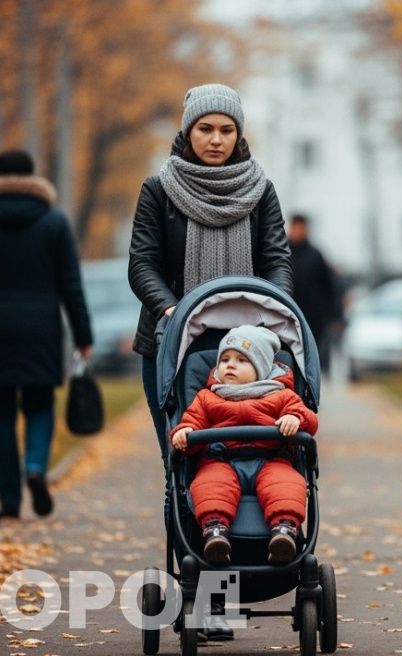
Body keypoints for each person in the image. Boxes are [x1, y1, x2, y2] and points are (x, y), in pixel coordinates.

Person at [128, 83, 293, 462]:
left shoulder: (261, 191)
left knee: (246, 454)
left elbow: (277, 261)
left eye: (226, 130)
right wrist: (173, 311)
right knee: (179, 458)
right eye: (206, 129)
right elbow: (142, 264)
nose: (216, 139)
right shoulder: (158, 191)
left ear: (238, 135)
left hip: (248, 345)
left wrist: (273, 310)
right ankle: (182, 522)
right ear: (188, 132)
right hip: (171, 341)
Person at [0, 150, 93, 521]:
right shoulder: (54, 223)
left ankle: (9, 503)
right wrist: (82, 335)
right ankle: (35, 468)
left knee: (0, 415)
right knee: (40, 405)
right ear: (32, 178)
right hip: (41, 325)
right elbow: (70, 285)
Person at [170, 325, 317, 565]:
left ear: (261, 368)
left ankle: (284, 531)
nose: (230, 365)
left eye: (241, 360)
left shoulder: (281, 395)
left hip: (271, 458)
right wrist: (185, 433)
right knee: (210, 484)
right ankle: (215, 532)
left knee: (288, 483)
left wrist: (295, 419)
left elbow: (308, 419)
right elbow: (192, 421)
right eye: (225, 359)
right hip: (220, 459)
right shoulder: (208, 397)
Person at [286, 214, 343, 374]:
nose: (297, 231)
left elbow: (329, 287)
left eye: (301, 228)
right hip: (288, 315)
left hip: (313, 319)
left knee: (311, 356)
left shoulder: (315, 255)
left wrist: (336, 315)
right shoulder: (282, 253)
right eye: (295, 227)